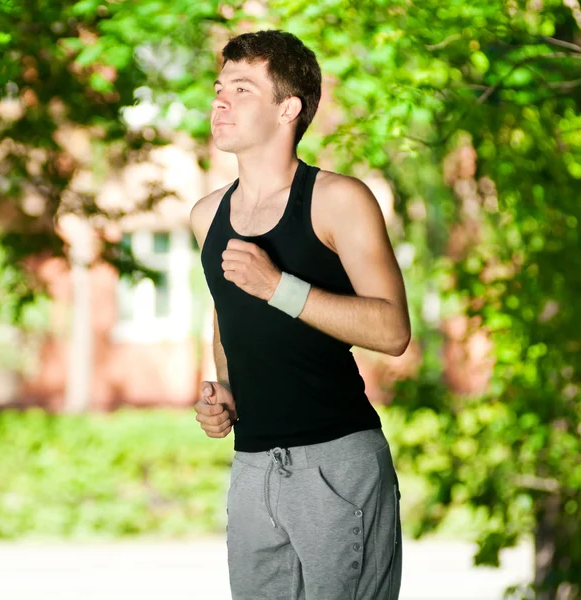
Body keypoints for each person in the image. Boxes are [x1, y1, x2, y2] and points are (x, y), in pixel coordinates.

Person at [190, 29, 410, 600]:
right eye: (219, 87)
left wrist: (279, 286)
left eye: (241, 89)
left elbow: (392, 331)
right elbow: (226, 313)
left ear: (289, 108)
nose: (220, 101)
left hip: (336, 463)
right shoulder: (206, 215)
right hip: (253, 466)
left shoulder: (340, 199)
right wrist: (226, 389)